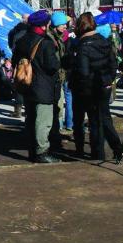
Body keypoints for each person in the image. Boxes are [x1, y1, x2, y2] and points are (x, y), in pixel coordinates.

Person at [69, 13, 123, 161]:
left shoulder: (82, 45)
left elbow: (83, 72)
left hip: (89, 88)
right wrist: (108, 80)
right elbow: (113, 64)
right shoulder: (105, 41)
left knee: (94, 121)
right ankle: (115, 148)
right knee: (104, 118)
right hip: (103, 85)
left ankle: (98, 152)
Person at [13, 10, 61, 163]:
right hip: (43, 86)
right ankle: (42, 152)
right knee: (43, 121)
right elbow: (52, 66)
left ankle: (33, 149)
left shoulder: (22, 40)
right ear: (45, 25)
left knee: (31, 118)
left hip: (27, 85)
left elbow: (16, 61)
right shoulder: (45, 43)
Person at [47, 12, 70, 151]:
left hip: (59, 78)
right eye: (62, 24)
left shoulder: (59, 38)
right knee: (56, 107)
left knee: (59, 107)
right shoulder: (51, 39)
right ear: (55, 25)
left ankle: (56, 133)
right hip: (53, 79)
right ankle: (54, 136)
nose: (65, 27)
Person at [8, 13, 29, 118]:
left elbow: (11, 46)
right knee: (28, 85)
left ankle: (18, 110)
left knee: (19, 86)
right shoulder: (31, 33)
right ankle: (27, 109)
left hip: (18, 62)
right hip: (29, 63)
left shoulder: (14, 32)